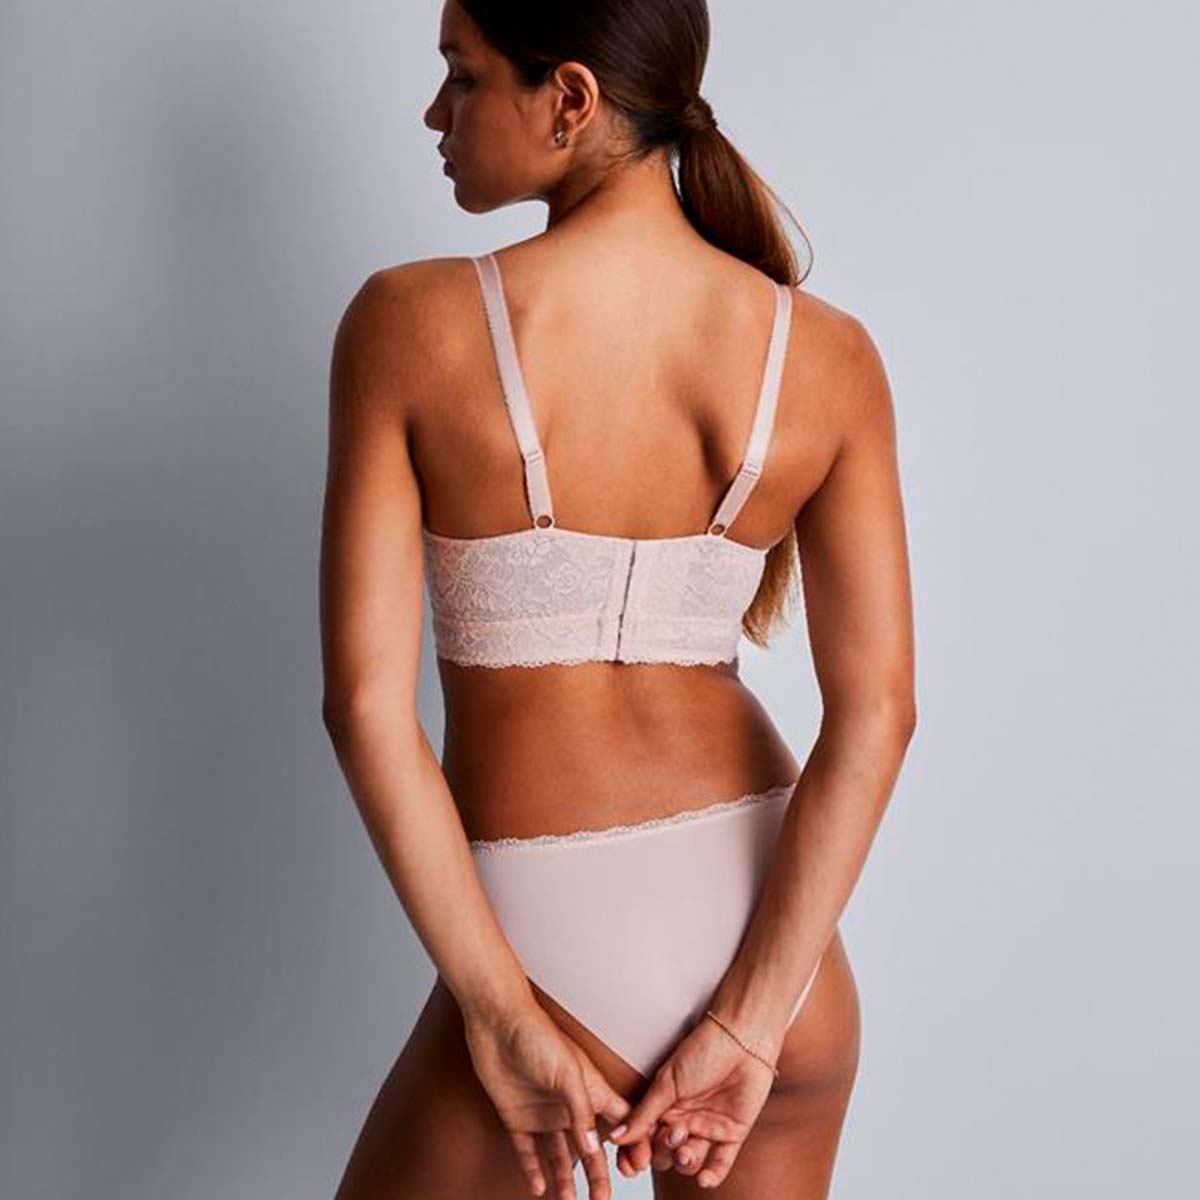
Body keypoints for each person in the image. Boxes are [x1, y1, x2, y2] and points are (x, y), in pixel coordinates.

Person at [319, 2, 916, 1198]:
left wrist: (500, 1013)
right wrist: (752, 1020)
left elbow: (367, 710)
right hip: (779, 968)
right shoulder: (827, 356)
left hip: (546, 958)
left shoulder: (408, 325)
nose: (436, 114)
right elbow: (881, 714)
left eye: (462, 77)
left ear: (571, 98)